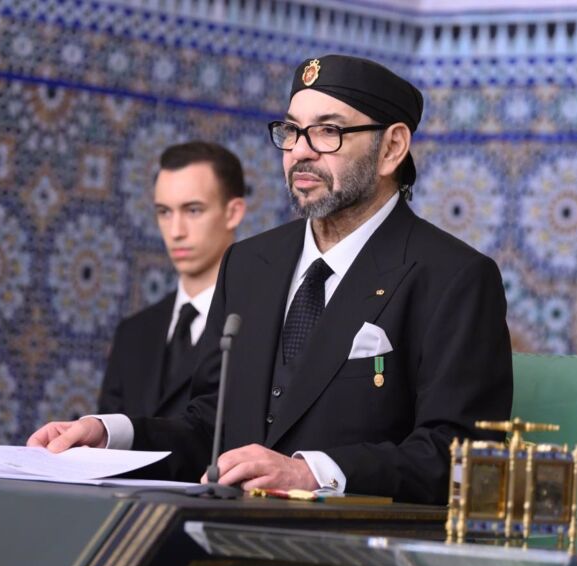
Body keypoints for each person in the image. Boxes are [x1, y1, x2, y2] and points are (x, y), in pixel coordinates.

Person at [30, 55, 512, 504]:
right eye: (292, 131)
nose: (300, 152)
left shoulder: (454, 277)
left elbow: (463, 458)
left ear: (392, 148)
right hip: (225, 538)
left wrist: (312, 473)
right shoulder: (249, 263)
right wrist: (111, 437)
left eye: (328, 132)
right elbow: (210, 428)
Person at [96, 142, 247, 418]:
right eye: (164, 212)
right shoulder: (132, 334)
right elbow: (109, 440)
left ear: (233, 213)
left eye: (193, 210)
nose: (176, 231)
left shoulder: (262, 326)